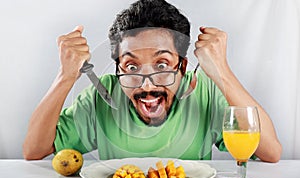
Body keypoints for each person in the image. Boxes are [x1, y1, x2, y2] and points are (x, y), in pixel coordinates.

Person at [23, 0, 281, 162]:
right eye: (132, 66)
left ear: (182, 65)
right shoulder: (102, 94)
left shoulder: (202, 91)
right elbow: (34, 150)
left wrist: (222, 70)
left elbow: (270, 152)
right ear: (118, 68)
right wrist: (65, 75)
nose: (146, 86)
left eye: (162, 65)